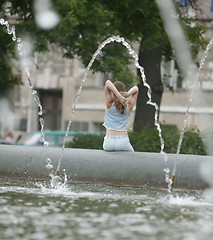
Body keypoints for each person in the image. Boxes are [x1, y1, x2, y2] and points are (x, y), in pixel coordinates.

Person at [103, 80, 139, 152]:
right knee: (134, 160)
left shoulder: (109, 104)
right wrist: (128, 94)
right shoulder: (128, 106)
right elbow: (136, 89)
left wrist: (117, 95)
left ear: (112, 94)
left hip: (108, 142)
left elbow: (107, 82)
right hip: (123, 141)